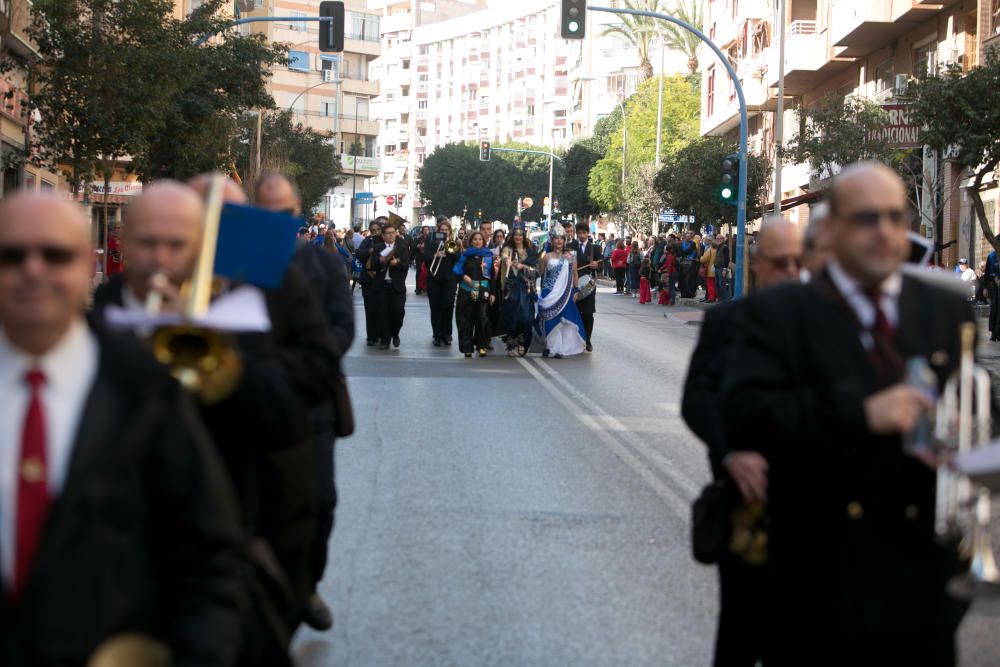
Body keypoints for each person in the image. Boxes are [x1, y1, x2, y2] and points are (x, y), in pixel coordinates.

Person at [722, 163, 973, 665]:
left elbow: (969, 400)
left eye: (894, 217)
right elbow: (748, 417)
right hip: (819, 584)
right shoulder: (782, 313)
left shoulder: (945, 309)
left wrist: (965, 442)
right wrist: (860, 414)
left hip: (921, 589)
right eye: (866, 219)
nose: (884, 231)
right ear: (832, 230)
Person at [95, 179, 337, 661]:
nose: (161, 259)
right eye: (148, 243)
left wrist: (228, 360)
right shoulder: (109, 302)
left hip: (249, 508)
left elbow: (312, 375)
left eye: (176, 244)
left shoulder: (275, 281)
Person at [0, 191, 244, 665]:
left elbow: (210, 560)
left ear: (84, 265)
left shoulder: (146, 388)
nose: (34, 269)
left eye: (56, 255)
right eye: (12, 255)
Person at [681, 217, 803, 667]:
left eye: (799, 262)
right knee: (740, 625)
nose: (791, 272)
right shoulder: (725, 322)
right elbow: (696, 399)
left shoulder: (825, 322)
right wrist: (730, 453)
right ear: (756, 264)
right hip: (745, 505)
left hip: (811, 505)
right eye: (780, 262)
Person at [254, 173, 354, 632]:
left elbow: (341, 330)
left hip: (310, 400)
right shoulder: (236, 257)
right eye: (266, 214)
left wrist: (291, 370)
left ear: (298, 215)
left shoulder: (324, 264)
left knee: (320, 502)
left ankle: (306, 586)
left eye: (285, 213)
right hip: (246, 400)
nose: (277, 221)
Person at [537, 225, 586, 358]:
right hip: (549, 293)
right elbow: (540, 273)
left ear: (565, 240)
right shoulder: (546, 257)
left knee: (564, 321)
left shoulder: (570, 256)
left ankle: (561, 349)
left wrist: (575, 290)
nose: (559, 241)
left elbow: (575, 275)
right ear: (551, 241)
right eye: (556, 238)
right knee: (550, 320)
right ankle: (550, 347)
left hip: (565, 293)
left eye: (561, 238)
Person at [454, 231, 496, 358]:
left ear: (484, 241)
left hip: (483, 290)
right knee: (465, 320)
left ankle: (481, 345)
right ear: (471, 241)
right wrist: (463, 277)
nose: (478, 241)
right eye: (475, 239)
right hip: (466, 290)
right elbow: (457, 271)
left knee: (482, 319)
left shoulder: (488, 256)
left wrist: (492, 293)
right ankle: (467, 347)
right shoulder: (465, 255)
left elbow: (492, 277)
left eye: (480, 239)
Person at [499, 225, 539, 356]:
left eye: (520, 235)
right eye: (515, 235)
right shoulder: (508, 249)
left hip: (526, 287)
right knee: (511, 315)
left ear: (524, 236)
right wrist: (507, 259)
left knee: (526, 317)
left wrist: (524, 266)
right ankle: (512, 344)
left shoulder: (531, 251)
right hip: (512, 287)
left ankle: (523, 342)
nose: (518, 237)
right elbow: (504, 257)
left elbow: (537, 271)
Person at [370, 223, 410, 349]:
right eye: (388, 233)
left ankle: (395, 333)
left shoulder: (402, 247)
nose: (392, 235)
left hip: (397, 286)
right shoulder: (378, 247)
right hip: (382, 285)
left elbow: (405, 264)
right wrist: (381, 261)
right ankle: (385, 340)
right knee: (383, 313)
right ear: (383, 236)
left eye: (393, 232)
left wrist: (396, 264)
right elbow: (373, 265)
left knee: (398, 312)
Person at [424, 217, 461, 347]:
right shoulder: (431, 242)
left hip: (449, 279)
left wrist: (449, 246)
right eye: (442, 230)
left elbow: (458, 259)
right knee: (435, 307)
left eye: (446, 230)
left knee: (448, 306)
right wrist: (435, 255)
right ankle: (437, 335)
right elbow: (425, 259)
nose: (444, 232)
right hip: (434, 279)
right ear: (438, 231)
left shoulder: (454, 243)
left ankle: (447, 334)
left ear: (450, 232)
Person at [568, 221, 601, 352]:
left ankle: (587, 339)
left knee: (588, 313)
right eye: (579, 233)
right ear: (576, 234)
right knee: (576, 312)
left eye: (584, 233)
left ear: (588, 233)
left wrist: (596, 266)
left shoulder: (595, 248)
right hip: (574, 284)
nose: (581, 235)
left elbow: (601, 265)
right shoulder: (570, 246)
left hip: (588, 285)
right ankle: (577, 339)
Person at [354, 218, 385, 345]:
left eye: (378, 230)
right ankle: (371, 336)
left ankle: (382, 334)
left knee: (382, 309)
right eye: (373, 230)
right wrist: (370, 251)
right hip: (368, 280)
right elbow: (359, 254)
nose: (375, 232)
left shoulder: (385, 242)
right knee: (370, 308)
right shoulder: (367, 241)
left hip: (382, 279)